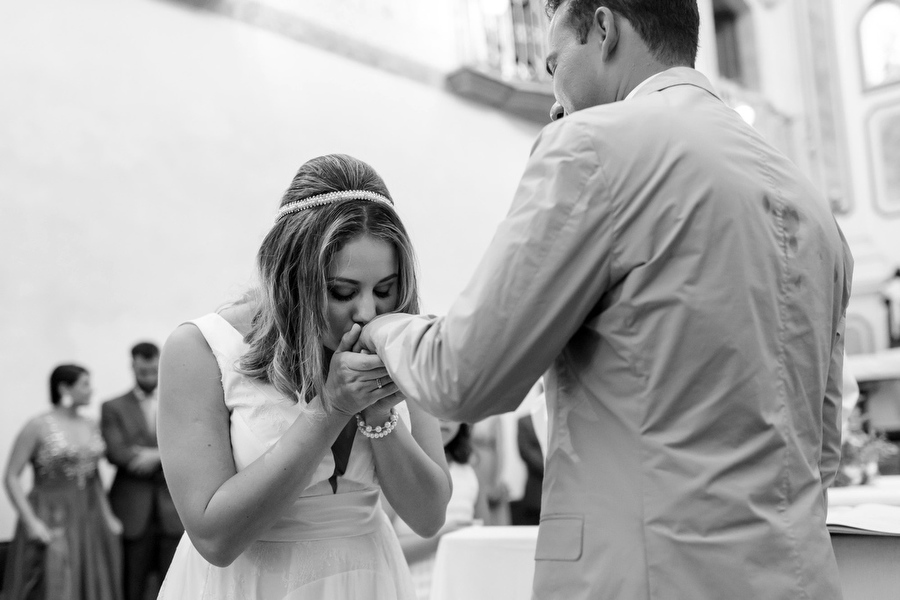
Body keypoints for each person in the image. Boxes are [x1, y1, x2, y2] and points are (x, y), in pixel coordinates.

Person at [359, 1, 854, 598]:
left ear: (603, 27)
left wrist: (388, 328)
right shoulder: (812, 202)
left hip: (646, 579)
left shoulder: (593, 145)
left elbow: (461, 375)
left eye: (553, 63)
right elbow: (822, 447)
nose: (554, 96)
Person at [155, 154, 451, 599]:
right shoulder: (200, 349)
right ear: (292, 278)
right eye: (342, 292)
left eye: (385, 290)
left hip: (369, 579)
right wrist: (330, 410)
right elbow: (215, 539)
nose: (368, 311)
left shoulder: (404, 340)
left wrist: (377, 414)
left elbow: (429, 517)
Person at [2, 364, 123, 599]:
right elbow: (10, 477)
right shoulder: (37, 426)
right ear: (64, 388)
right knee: (56, 580)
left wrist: (108, 516)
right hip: (51, 512)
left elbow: (93, 474)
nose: (91, 390)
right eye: (85, 384)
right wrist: (31, 522)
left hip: (89, 512)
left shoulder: (90, 424)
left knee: (91, 579)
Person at [101, 342, 183, 600]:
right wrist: (166, 454)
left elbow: (190, 444)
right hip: (132, 510)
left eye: (152, 368)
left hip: (175, 508)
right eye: (142, 369)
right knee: (132, 585)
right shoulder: (112, 406)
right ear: (133, 366)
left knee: (176, 585)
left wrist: (156, 455)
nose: (148, 373)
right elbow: (117, 453)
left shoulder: (180, 401)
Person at [387, 420, 487, 600]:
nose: (444, 419)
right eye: (433, 409)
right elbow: (384, 551)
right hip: (412, 590)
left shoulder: (471, 472)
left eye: (450, 409)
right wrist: (441, 538)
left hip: (461, 589)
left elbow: (486, 538)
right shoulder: (397, 470)